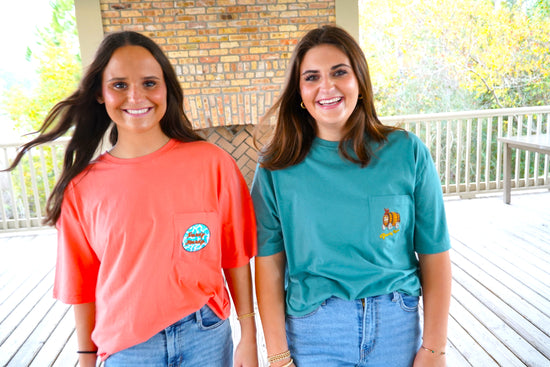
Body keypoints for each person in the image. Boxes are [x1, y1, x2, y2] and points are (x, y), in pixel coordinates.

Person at [4, 31, 258, 367]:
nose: (136, 96)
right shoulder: (82, 188)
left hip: (206, 336)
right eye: (119, 85)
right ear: (99, 93)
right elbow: (83, 282)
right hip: (128, 348)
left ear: (167, 88)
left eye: (150, 83)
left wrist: (249, 337)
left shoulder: (212, 163)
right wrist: (85, 357)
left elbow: (236, 255)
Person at [251, 25, 452, 367]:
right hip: (313, 332)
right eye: (311, 77)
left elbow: (434, 254)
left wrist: (434, 349)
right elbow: (268, 266)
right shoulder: (276, 167)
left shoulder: (407, 152)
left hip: (397, 326)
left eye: (339, 72)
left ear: (359, 80)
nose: (326, 87)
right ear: (299, 92)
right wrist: (278, 356)